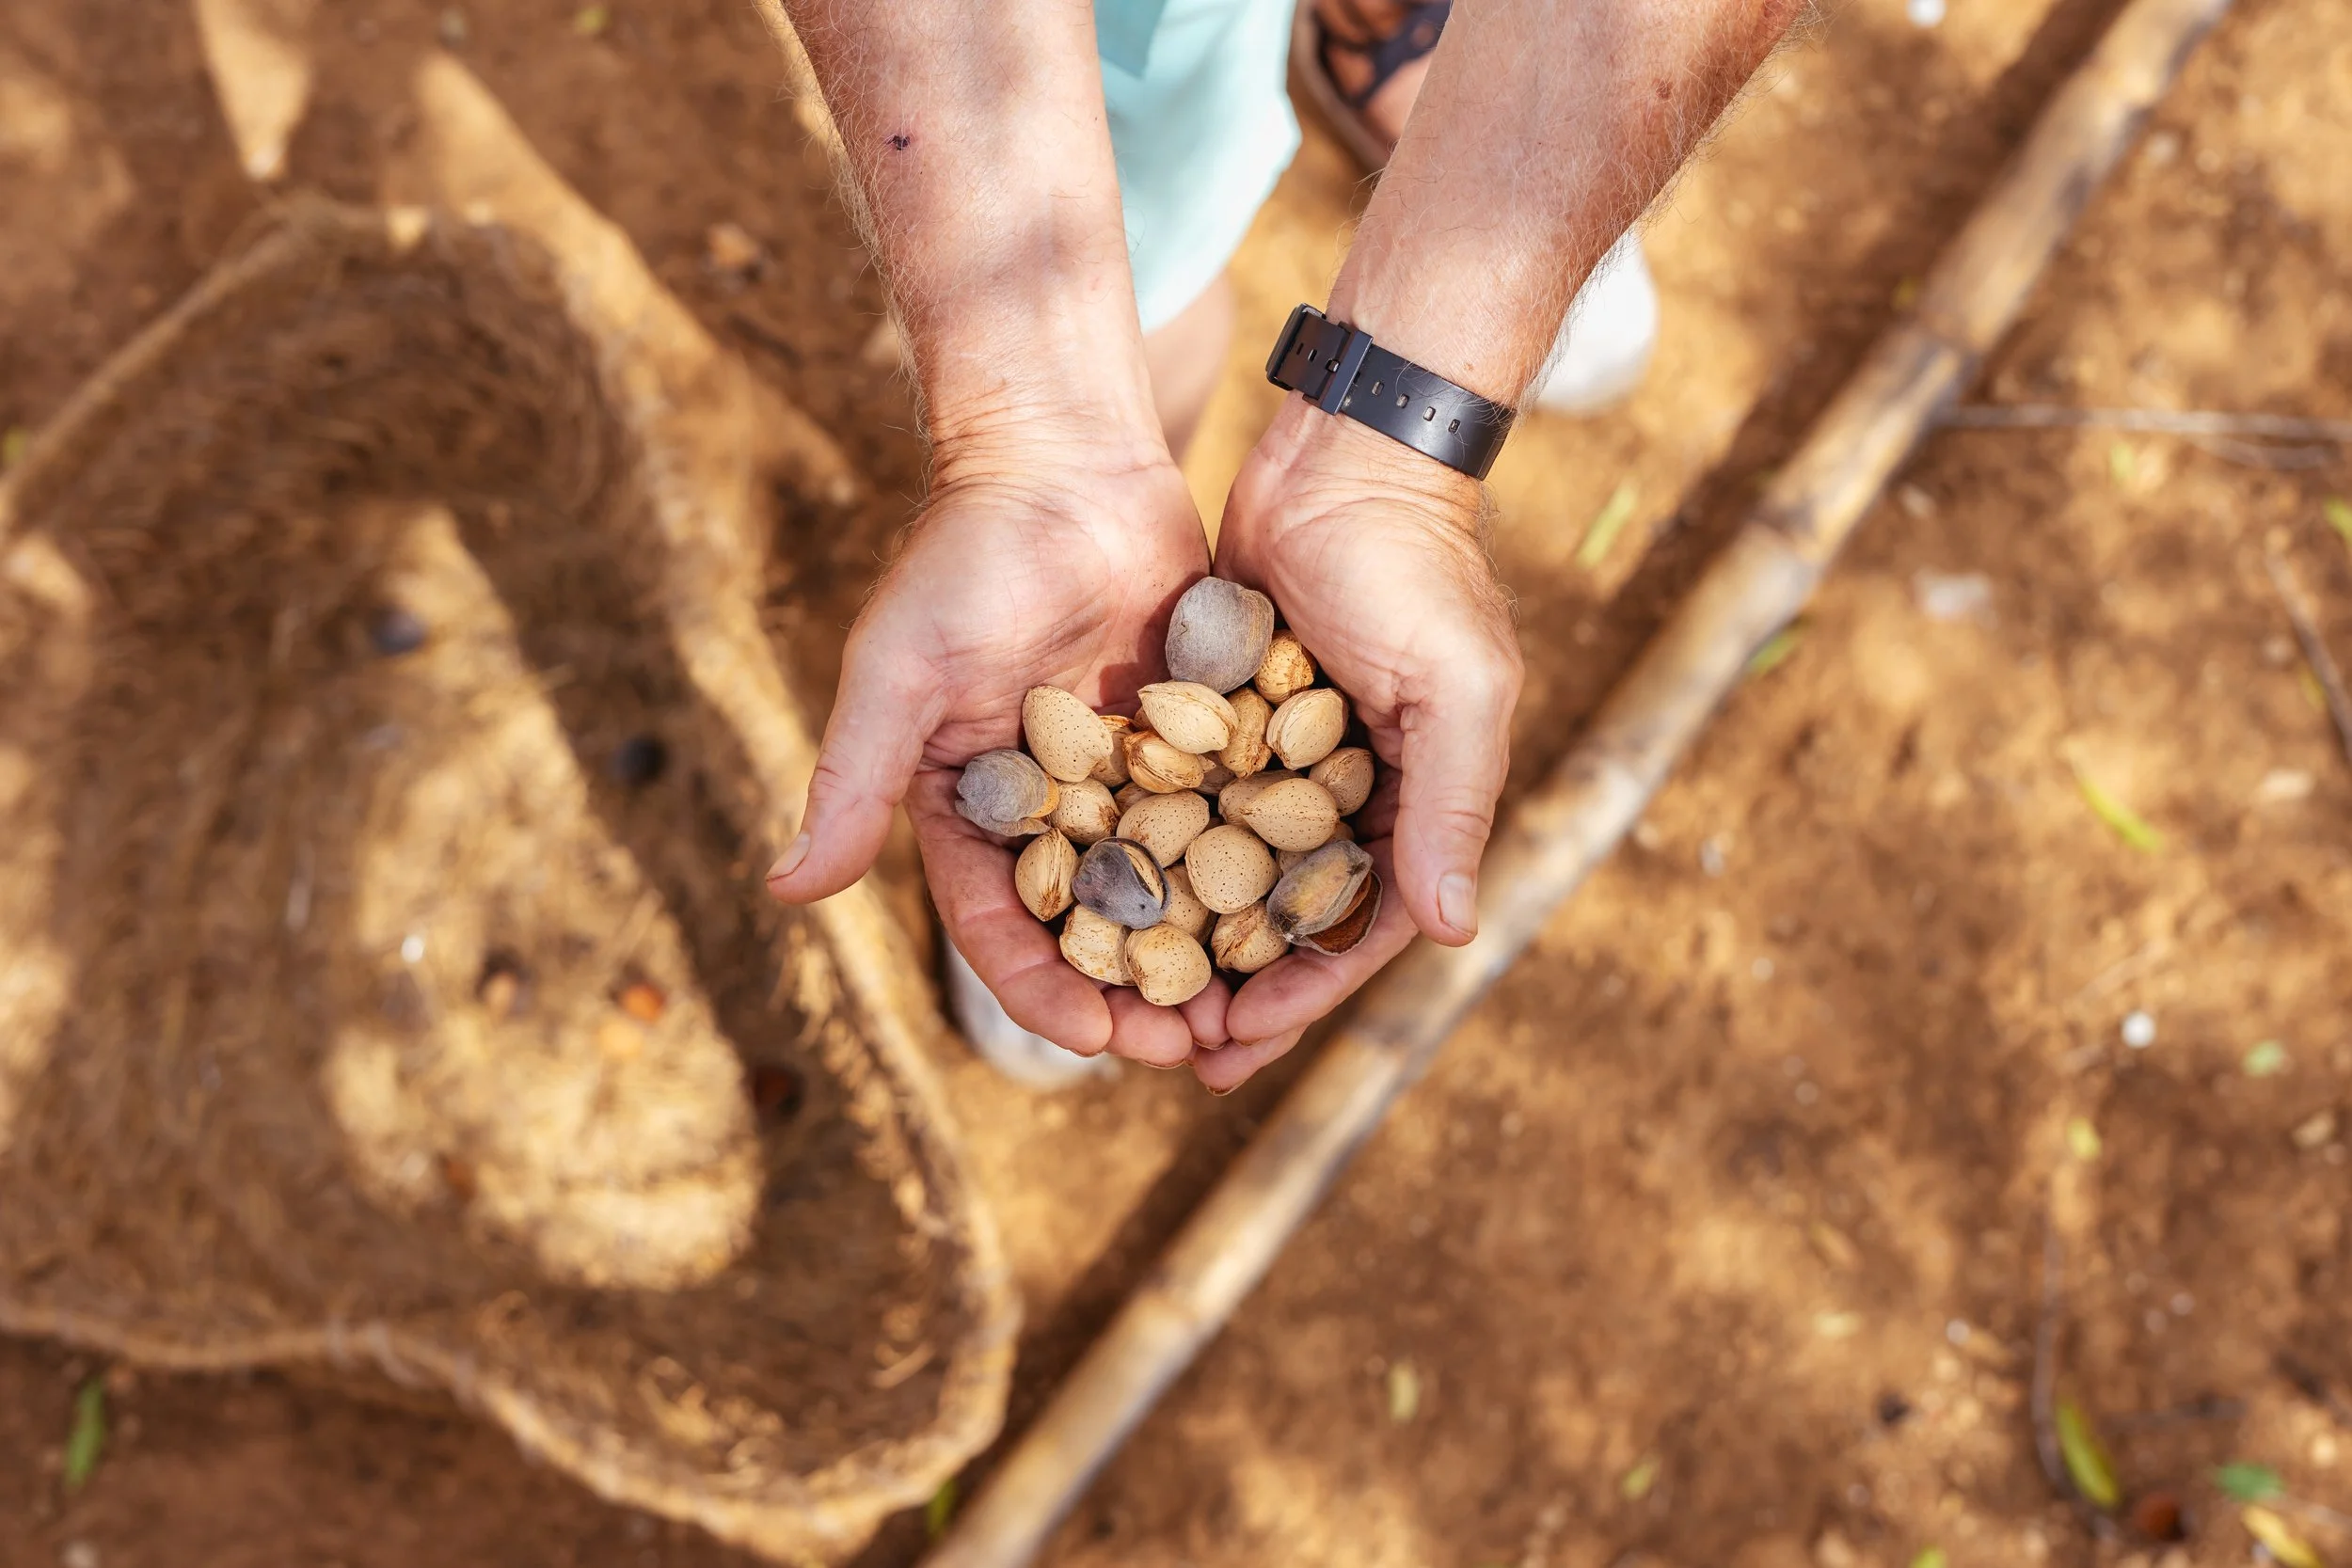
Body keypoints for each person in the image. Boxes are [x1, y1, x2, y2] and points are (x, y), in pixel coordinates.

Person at [762, 0, 1801, 1093]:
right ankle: (1213, 257)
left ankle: (1448, 91)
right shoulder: (1173, 787)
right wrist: (1034, 429)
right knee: (1158, 198)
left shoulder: (1219, 781)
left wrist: (1409, 431)